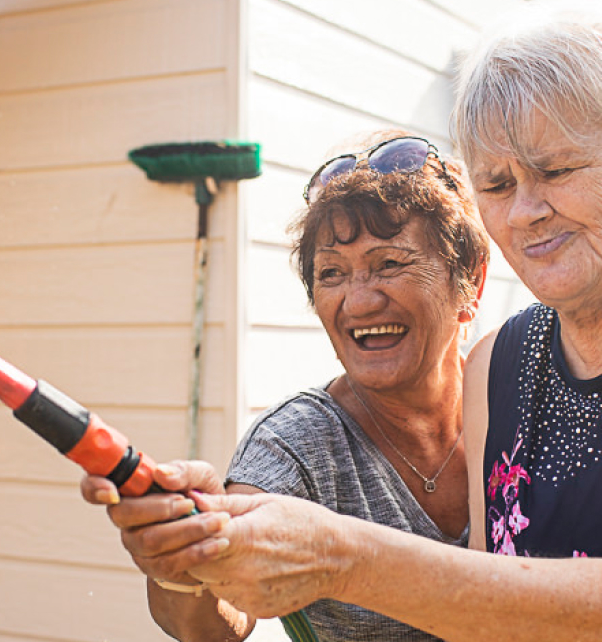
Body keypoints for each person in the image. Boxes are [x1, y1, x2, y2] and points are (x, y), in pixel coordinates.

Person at [85, 2, 602, 641]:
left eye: (557, 169)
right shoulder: (505, 362)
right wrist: (196, 559)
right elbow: (501, 609)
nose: (525, 212)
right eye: (495, 183)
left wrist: (342, 555)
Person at [83, 130, 489, 640]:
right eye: (332, 274)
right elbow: (216, 622)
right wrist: (185, 562)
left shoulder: (519, 395)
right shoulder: (298, 441)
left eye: (389, 264)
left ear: (470, 277)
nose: (359, 302)